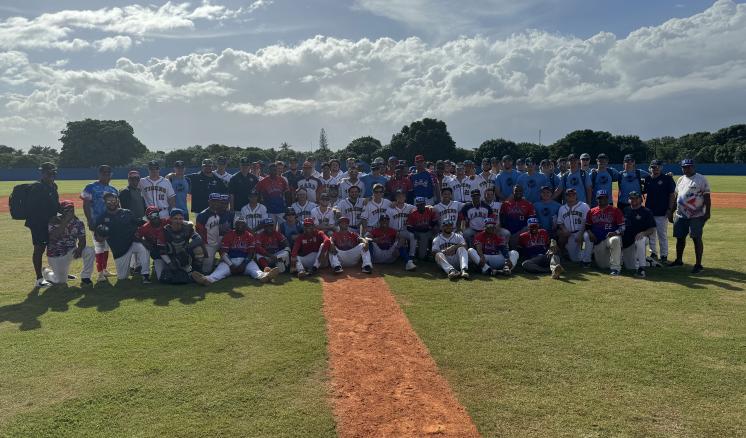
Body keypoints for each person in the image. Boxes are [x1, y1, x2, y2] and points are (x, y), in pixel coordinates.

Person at [193, 216, 279, 285]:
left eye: (242, 224)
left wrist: (244, 264)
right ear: (235, 225)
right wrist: (231, 265)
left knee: (255, 271)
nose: (240, 226)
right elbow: (223, 253)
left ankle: (265, 276)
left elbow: (250, 253)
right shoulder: (228, 235)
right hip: (229, 261)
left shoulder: (250, 236)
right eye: (238, 224)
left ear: (246, 226)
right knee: (219, 273)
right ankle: (206, 279)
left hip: (245, 261)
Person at [94, 192, 150, 282]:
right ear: (105, 203)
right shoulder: (102, 217)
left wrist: (151, 223)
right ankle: (128, 270)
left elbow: (139, 222)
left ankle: (145, 274)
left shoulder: (127, 212)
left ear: (117, 201)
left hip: (133, 243)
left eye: (113, 200)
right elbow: (97, 237)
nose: (112, 203)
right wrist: (101, 237)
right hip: (119, 250)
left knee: (144, 248)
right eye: (108, 201)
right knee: (122, 277)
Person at [668, 159, 711, 273]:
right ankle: (679, 260)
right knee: (680, 238)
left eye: (689, 166)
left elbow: (707, 197)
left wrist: (707, 212)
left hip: (696, 215)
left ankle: (698, 264)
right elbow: (677, 197)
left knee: (696, 238)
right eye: (684, 167)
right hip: (681, 214)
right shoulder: (681, 179)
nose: (686, 169)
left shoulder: (701, 179)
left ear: (693, 167)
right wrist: (671, 212)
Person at [42, 200, 94, 285]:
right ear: (61, 211)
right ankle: (47, 273)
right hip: (56, 255)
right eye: (67, 209)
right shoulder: (54, 221)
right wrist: (65, 221)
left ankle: (85, 277)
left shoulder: (78, 223)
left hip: (71, 251)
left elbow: (82, 240)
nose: (70, 211)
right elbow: (53, 237)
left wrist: (80, 249)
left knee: (89, 251)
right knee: (61, 281)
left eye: (71, 209)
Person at [25, 162, 61, 287]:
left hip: (50, 222)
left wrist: (67, 213)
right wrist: (49, 218)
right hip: (37, 224)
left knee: (55, 246)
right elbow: (32, 208)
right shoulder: (37, 187)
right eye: (48, 172)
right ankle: (39, 279)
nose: (51, 175)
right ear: (42, 173)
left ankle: (59, 273)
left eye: (53, 172)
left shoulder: (53, 186)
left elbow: (56, 204)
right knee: (39, 249)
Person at [81, 164, 118, 281]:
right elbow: (86, 204)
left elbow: (117, 207)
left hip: (111, 223)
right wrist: (89, 220)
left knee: (106, 247)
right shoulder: (91, 187)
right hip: (97, 222)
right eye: (103, 173)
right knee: (99, 247)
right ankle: (100, 273)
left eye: (108, 173)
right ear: (99, 174)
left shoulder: (114, 189)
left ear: (111, 174)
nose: (106, 175)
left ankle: (104, 269)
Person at [160, 209, 208, 284]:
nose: (178, 221)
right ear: (170, 219)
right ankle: (191, 274)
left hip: (185, 253)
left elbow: (199, 239)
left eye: (180, 219)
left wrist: (187, 248)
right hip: (171, 257)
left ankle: (197, 270)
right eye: (175, 218)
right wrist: (170, 263)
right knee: (167, 277)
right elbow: (162, 251)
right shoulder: (164, 231)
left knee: (198, 249)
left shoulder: (187, 228)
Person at [585, 190, 625, 275]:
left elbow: (622, 227)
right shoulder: (591, 211)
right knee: (603, 266)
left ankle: (616, 268)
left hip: (610, 238)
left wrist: (615, 232)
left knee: (615, 240)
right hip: (598, 241)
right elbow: (587, 226)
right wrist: (590, 233)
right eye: (600, 198)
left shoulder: (615, 210)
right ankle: (617, 259)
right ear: (596, 199)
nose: (602, 199)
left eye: (604, 197)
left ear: (608, 198)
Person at [643, 160, 676, 262]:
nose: (655, 169)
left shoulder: (667, 179)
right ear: (650, 168)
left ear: (661, 167)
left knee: (662, 234)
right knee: (651, 234)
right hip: (649, 211)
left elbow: (672, 195)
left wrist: (670, 209)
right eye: (653, 167)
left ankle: (664, 255)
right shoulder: (647, 179)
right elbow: (643, 191)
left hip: (662, 211)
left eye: (657, 167)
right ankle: (653, 253)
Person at [196, 193, 236, 273]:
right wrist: (204, 249)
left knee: (229, 259)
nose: (215, 203)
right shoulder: (202, 215)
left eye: (217, 201)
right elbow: (199, 234)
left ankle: (225, 264)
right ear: (209, 201)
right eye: (213, 201)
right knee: (206, 271)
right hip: (208, 245)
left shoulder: (219, 213)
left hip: (219, 242)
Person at [621, 192, 656, 278]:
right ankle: (649, 262)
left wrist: (643, 233)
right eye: (632, 198)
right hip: (627, 242)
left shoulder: (646, 211)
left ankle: (642, 269)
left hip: (640, 239)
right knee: (629, 267)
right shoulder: (625, 210)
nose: (634, 200)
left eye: (636, 198)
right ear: (629, 200)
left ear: (641, 199)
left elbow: (652, 229)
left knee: (641, 239)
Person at [556, 188, 592, 265]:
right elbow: (560, 222)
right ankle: (583, 254)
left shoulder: (584, 206)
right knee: (575, 259)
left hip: (582, 231)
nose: (571, 196)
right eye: (569, 195)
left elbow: (587, 222)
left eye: (573, 194)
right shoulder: (562, 208)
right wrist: (564, 229)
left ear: (576, 195)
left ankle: (586, 260)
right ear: (565, 196)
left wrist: (581, 234)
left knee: (585, 239)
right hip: (570, 235)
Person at [386, 190, 417, 270]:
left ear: (405, 197)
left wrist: (430, 207)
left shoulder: (410, 207)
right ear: (395, 197)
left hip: (404, 231)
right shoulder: (390, 209)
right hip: (393, 231)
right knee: (397, 246)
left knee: (413, 236)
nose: (401, 197)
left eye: (402, 196)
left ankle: (411, 256)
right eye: (399, 196)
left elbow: (420, 208)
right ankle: (404, 258)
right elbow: (387, 223)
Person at [136, 206, 168, 279]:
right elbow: (136, 236)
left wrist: (188, 223)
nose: (156, 217)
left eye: (157, 214)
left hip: (169, 250)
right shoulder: (145, 227)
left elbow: (179, 221)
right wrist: (144, 242)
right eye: (152, 215)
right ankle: (146, 274)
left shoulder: (165, 221)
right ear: (148, 217)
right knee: (161, 277)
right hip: (156, 253)